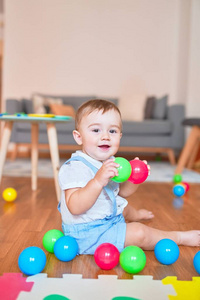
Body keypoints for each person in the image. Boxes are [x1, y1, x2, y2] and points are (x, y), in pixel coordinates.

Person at [58, 99, 200, 254]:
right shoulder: (75, 167)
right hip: (88, 233)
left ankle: (136, 214)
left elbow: (122, 192)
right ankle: (178, 237)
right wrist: (98, 181)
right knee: (140, 233)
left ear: (120, 135)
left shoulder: (110, 161)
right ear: (79, 137)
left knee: (121, 205)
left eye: (112, 131)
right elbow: (75, 207)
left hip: (108, 219)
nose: (105, 136)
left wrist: (135, 177)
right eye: (96, 130)